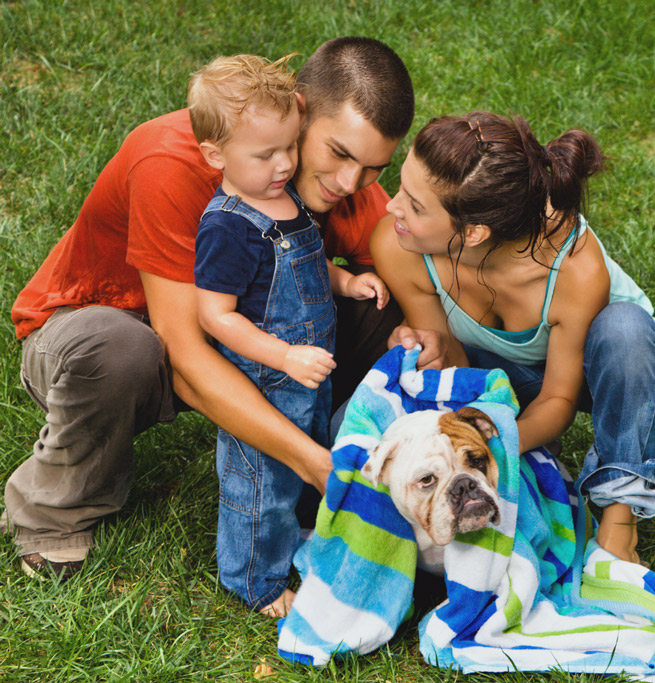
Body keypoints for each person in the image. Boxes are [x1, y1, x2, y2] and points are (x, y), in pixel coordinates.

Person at [4, 38, 429, 591]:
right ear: (299, 110)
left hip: (244, 337)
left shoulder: (338, 179)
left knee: (380, 306)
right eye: (340, 154)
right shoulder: (172, 160)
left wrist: (421, 328)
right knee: (124, 351)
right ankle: (54, 511)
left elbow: (404, 262)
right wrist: (311, 460)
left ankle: (344, 461)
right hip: (101, 332)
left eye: (373, 168)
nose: (350, 183)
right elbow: (185, 355)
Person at [374, 112, 655, 565]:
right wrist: (427, 351)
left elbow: (558, 401)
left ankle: (619, 515)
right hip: (494, 370)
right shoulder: (398, 246)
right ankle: (535, 463)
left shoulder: (575, 267)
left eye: (414, 205)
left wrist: (489, 444)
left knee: (625, 328)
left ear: (473, 233)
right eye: (401, 189)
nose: (392, 207)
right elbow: (455, 365)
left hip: (603, 373)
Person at [187, 54, 389, 615]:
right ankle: (254, 580)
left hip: (306, 368)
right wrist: (284, 355)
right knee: (260, 486)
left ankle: (297, 537)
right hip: (265, 379)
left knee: (300, 464)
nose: (283, 165)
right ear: (215, 154)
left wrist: (346, 283)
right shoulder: (228, 225)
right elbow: (216, 316)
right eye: (265, 155)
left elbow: (308, 261)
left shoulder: (286, 199)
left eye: (290, 148)